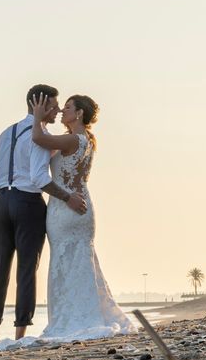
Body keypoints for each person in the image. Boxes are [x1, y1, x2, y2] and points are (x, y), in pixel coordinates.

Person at [0, 84, 87, 347]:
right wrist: (67, 197)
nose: (56, 110)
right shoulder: (39, 135)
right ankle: (19, 336)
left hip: (0, 202)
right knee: (27, 270)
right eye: (53, 105)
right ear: (39, 104)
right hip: (27, 203)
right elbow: (39, 178)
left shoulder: (6, 133)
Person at [30, 93, 134, 339]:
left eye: (67, 108)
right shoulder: (86, 140)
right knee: (79, 262)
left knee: (65, 262)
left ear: (78, 114)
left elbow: (37, 137)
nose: (63, 111)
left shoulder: (71, 139)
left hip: (65, 209)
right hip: (81, 206)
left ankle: (70, 318)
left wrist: (37, 117)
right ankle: (83, 313)